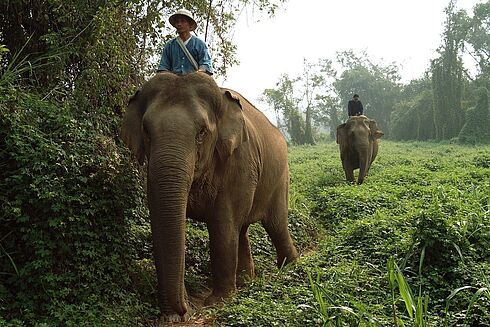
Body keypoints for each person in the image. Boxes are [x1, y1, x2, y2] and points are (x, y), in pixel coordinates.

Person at [156, 9, 213, 75]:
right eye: (177, 22)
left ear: (190, 24)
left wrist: (200, 72)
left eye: (183, 21)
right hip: (174, 81)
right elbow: (163, 67)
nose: (179, 24)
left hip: (194, 80)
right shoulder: (169, 45)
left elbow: (205, 64)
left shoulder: (199, 44)